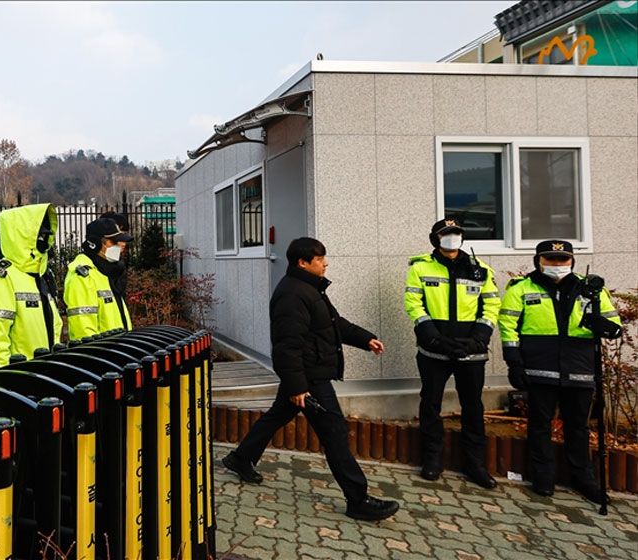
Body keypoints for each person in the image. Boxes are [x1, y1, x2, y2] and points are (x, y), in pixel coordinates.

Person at [222, 238, 399, 521]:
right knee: (335, 434)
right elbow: (286, 345)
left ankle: (241, 458)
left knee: (277, 416)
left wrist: (366, 339)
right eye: (319, 259)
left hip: (307, 375)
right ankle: (358, 500)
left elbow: (334, 324)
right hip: (310, 378)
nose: (325, 263)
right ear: (302, 262)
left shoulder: (309, 289)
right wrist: (298, 386)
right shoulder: (293, 295)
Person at [499, 240, 622, 502]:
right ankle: (543, 476)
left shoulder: (590, 289)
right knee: (539, 425)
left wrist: (603, 323)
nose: (557, 265)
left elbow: (613, 324)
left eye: (562, 260)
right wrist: (515, 362)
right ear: (538, 261)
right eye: (551, 260)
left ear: (572, 262)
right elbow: (508, 326)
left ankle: (583, 478)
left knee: (578, 426)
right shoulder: (521, 288)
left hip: (579, 368)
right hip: (539, 368)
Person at [405, 218, 500, 488]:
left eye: (456, 233)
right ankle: (433, 460)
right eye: (446, 234)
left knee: (473, 407)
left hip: (471, 351)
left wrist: (479, 338)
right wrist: (433, 338)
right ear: (435, 238)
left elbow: (491, 305)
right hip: (434, 350)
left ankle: (475, 465)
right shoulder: (420, 268)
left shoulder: (480, 269)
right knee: (431, 403)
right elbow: (413, 303)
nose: (452, 238)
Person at [0, 203, 63, 365]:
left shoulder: (37, 276)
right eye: (38, 235)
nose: (43, 240)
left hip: (46, 375)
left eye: (45, 236)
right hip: (18, 380)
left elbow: (54, 329)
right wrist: (5, 382)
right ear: (21, 236)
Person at [64, 217, 133, 341]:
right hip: (102, 356)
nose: (122, 245)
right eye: (113, 242)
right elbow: (83, 331)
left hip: (118, 353)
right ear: (94, 244)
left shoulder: (107, 272)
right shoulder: (83, 277)